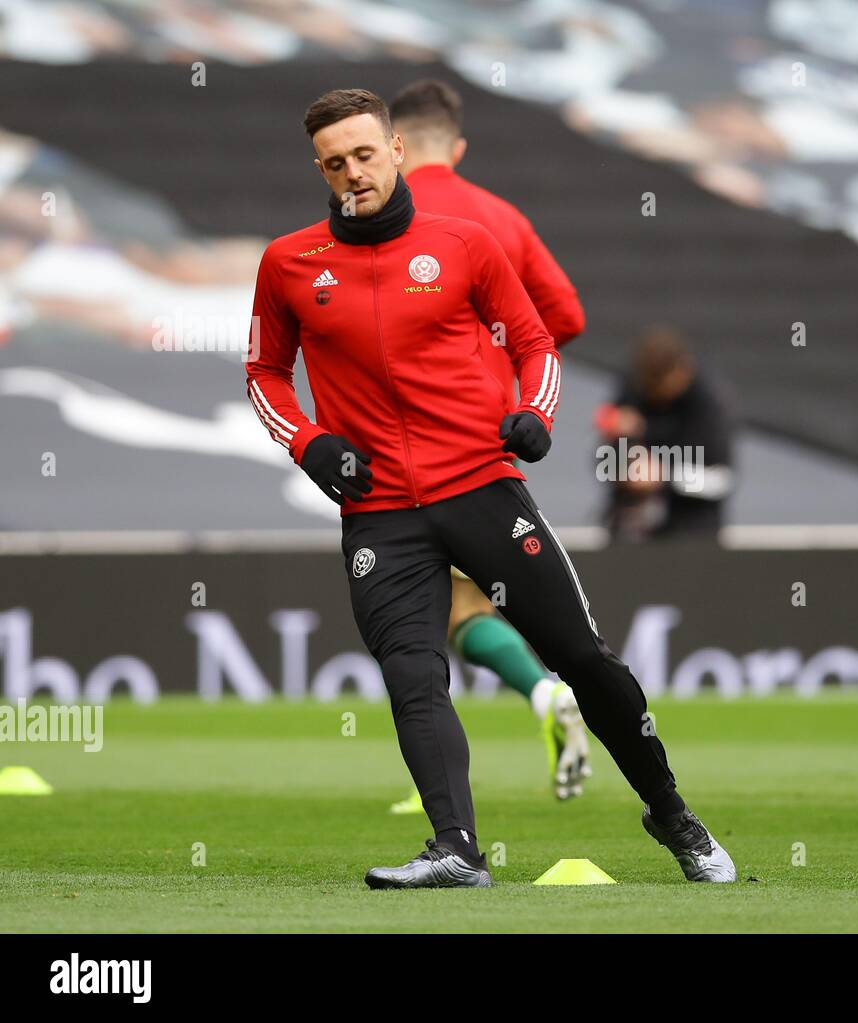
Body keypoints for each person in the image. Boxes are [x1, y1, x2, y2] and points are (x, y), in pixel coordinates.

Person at [245, 88, 734, 886]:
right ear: (320, 170)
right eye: (334, 164)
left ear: (398, 150)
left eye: (365, 155)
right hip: (378, 509)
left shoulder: (465, 243)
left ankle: (672, 813)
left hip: (478, 486)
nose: (352, 174)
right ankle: (455, 849)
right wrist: (308, 442)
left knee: (581, 656)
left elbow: (538, 338)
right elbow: (264, 371)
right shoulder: (289, 263)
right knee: (412, 672)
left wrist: (533, 415)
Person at [383, 77, 590, 804]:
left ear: (392, 147)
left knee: (415, 621)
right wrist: (501, 352)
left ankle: (521, 706)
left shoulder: (376, 218)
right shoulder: (500, 216)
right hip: (488, 447)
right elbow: (565, 316)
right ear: (459, 147)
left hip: (398, 456)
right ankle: (541, 698)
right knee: (459, 611)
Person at [595, 327, 735, 542]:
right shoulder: (631, 392)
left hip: (690, 536)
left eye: (662, 385)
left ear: (683, 370)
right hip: (629, 534)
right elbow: (602, 465)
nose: (656, 394)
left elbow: (721, 481)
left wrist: (663, 477)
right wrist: (622, 461)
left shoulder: (709, 405)